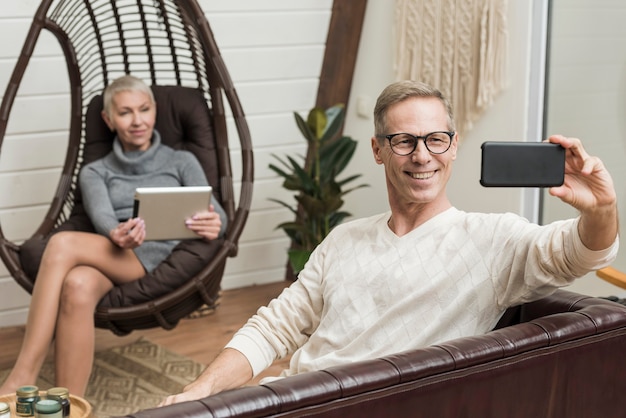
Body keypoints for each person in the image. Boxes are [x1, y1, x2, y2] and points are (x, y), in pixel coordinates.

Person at [161, 80, 619, 406]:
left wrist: (599, 209)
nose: (422, 156)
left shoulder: (493, 238)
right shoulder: (344, 238)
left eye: (435, 140)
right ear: (378, 150)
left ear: (454, 146)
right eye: (403, 141)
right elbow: (274, 327)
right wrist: (200, 391)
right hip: (295, 395)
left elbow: (577, 253)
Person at [0, 75, 227, 397]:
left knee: (61, 243)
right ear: (108, 119)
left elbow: (218, 212)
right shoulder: (96, 171)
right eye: (125, 112)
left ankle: (23, 374)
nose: (137, 121)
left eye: (144, 109)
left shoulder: (181, 161)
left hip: (155, 257)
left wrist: (215, 224)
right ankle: (72, 407)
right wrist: (116, 234)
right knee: (77, 285)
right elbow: (102, 217)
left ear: (154, 111)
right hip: (113, 249)